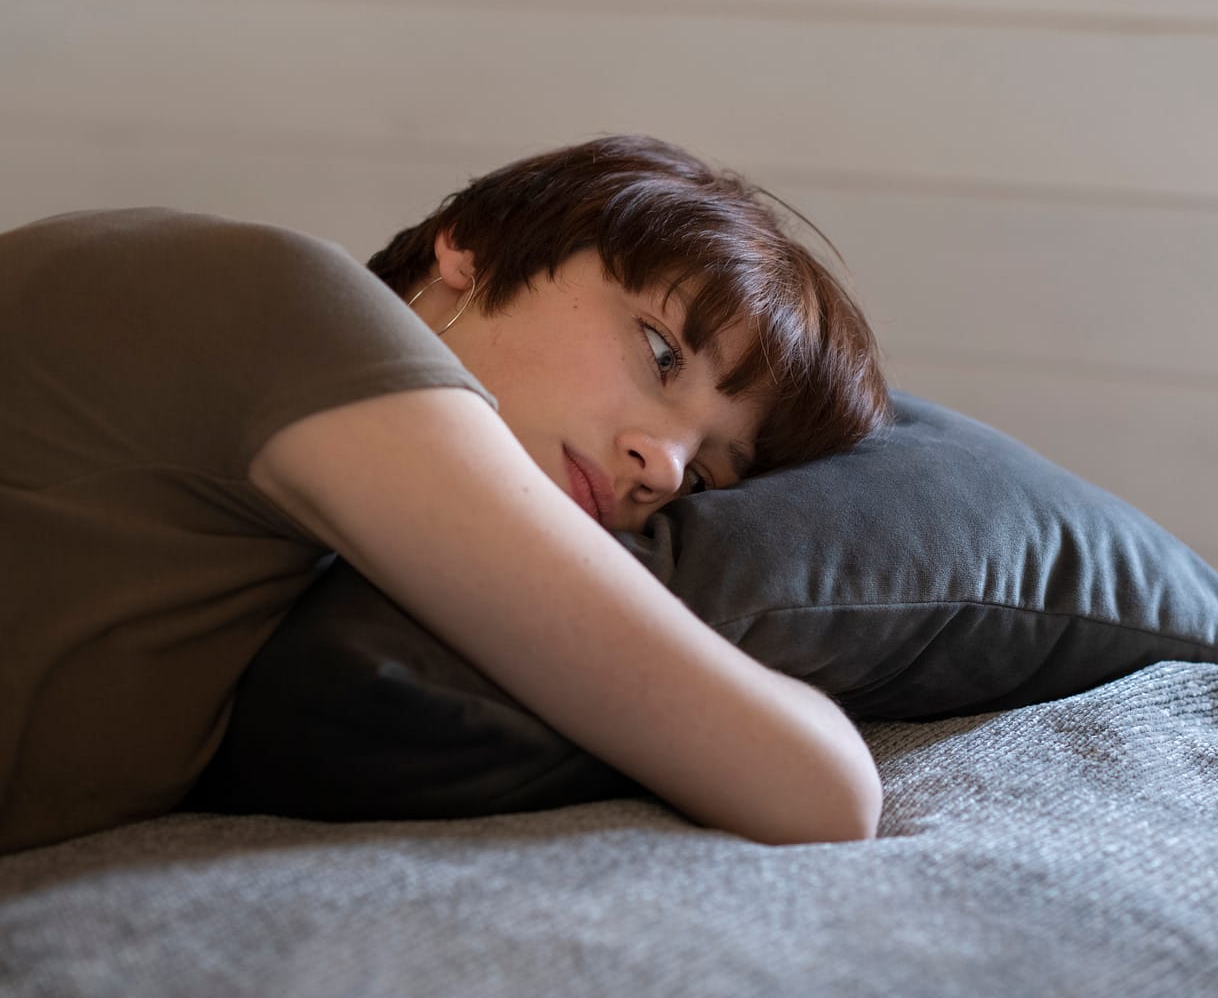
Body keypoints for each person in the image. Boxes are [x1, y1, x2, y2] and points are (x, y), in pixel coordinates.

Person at [0, 134, 891, 854]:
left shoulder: (307, 517)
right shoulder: (298, 312)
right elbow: (817, 787)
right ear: (473, 248)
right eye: (660, 352)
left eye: (703, 472)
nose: (660, 467)